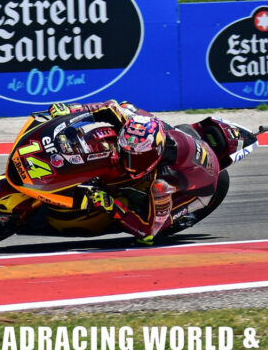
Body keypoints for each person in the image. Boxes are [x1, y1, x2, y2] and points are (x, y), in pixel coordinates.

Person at [47, 100, 219, 246]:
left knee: (151, 226)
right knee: (125, 105)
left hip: (201, 187)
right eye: (127, 154)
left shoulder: (165, 179)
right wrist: (72, 110)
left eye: (137, 158)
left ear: (155, 152)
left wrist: (111, 205)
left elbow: (147, 233)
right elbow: (111, 107)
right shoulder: (139, 125)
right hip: (179, 140)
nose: (130, 163)